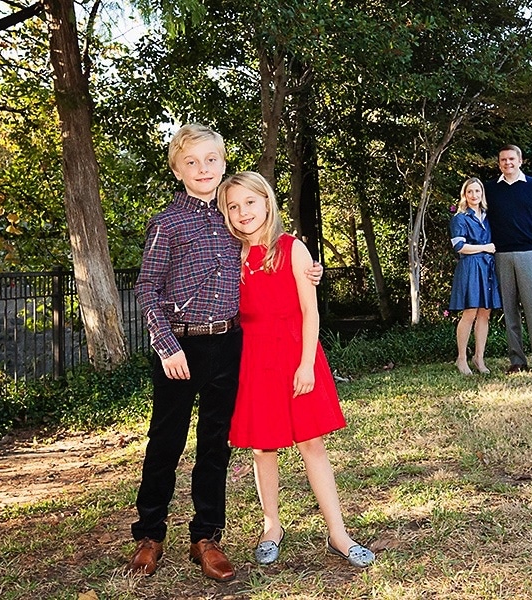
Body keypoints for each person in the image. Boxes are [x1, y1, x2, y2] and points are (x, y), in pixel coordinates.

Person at [127, 125, 322, 581]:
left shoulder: (233, 219)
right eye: (191, 162)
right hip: (179, 347)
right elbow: (147, 288)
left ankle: (206, 537)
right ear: (177, 171)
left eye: (211, 160)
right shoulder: (166, 224)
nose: (203, 169)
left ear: (223, 163)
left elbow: (269, 251)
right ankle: (150, 535)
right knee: (166, 441)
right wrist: (166, 345)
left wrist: (308, 268)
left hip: (228, 344)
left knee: (215, 442)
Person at [216, 171, 375, 569]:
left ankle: (338, 533)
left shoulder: (292, 249)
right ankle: (271, 526)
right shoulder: (230, 257)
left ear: (267, 202)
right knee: (262, 447)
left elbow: (310, 311)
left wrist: (306, 364)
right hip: (254, 362)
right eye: (233, 206)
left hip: (295, 356)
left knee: (311, 443)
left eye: (250, 202)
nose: (243, 212)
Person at [484, 145, 532, 375]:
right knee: (509, 310)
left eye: (511, 159)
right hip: (501, 255)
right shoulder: (490, 189)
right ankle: (517, 360)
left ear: (520, 161)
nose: (507, 163)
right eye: (503, 160)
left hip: (529, 254)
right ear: (499, 163)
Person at [448, 177, 500, 375]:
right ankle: (461, 359)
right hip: (470, 267)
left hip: (487, 268)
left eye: (477, 191)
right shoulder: (460, 218)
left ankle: (479, 358)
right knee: (469, 313)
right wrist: (484, 248)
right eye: (470, 191)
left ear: (482, 194)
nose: (474, 195)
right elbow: (459, 246)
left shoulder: (487, 216)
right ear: (464, 194)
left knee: (485, 313)